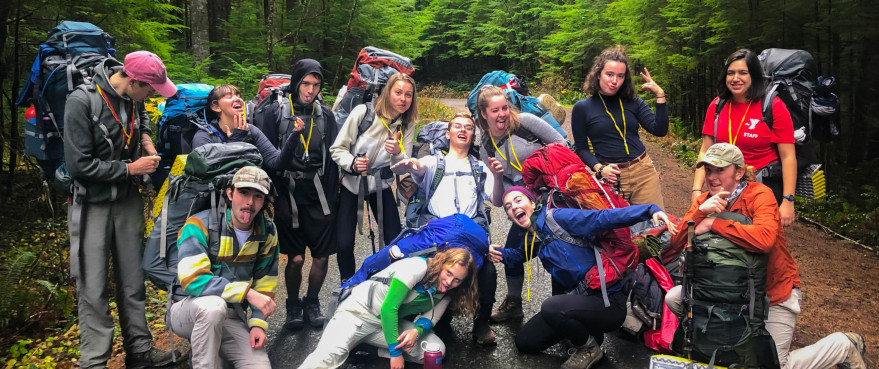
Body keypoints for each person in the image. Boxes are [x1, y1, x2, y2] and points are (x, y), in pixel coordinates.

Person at [666, 143, 866, 369]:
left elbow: (764, 240)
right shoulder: (706, 201)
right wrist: (700, 211)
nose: (712, 177)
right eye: (708, 170)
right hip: (725, 295)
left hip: (773, 296)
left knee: (775, 366)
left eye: (720, 170)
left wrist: (714, 222)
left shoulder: (760, 195)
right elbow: (675, 243)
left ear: (739, 172)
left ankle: (842, 346)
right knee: (674, 297)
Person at [64, 50, 177, 368]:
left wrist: (146, 141)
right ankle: (95, 361)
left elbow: (140, 123)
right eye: (150, 89)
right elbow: (78, 164)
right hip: (93, 205)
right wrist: (130, 169)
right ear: (135, 80)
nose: (152, 94)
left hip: (127, 200)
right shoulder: (81, 101)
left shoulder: (134, 97)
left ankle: (139, 351)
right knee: (94, 286)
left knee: (132, 279)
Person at [488, 186, 674, 369]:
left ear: (532, 202)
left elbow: (602, 218)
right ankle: (585, 332)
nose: (513, 206)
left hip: (608, 302)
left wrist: (648, 210)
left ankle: (590, 349)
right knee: (525, 342)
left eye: (518, 200)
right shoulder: (533, 238)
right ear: (509, 217)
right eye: (508, 206)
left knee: (551, 306)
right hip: (579, 301)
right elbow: (517, 256)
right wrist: (491, 252)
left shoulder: (558, 218)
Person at [391, 112, 505, 345]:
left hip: (469, 236)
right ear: (448, 133)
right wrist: (412, 163)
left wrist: (498, 176)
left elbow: (497, 200)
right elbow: (420, 168)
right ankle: (439, 320)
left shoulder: (480, 167)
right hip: (438, 235)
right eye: (457, 127)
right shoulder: (434, 162)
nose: (463, 130)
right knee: (431, 272)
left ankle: (481, 323)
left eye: (469, 128)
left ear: (473, 135)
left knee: (487, 273)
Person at [253, 59, 340, 331]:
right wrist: (270, 197)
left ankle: (312, 301)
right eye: (306, 83)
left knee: (323, 256)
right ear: (296, 83)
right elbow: (265, 157)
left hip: (318, 193)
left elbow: (334, 159)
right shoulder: (277, 113)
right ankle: (293, 305)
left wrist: (332, 198)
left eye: (316, 85)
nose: (310, 90)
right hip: (287, 194)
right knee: (296, 258)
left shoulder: (325, 116)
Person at [473, 85, 567, 323]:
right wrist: (496, 177)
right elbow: (497, 199)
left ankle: (562, 310)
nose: (502, 114)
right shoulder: (486, 147)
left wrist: (542, 166)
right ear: (484, 114)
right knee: (512, 253)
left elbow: (563, 146)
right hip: (525, 208)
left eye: (504, 107)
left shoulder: (526, 122)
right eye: (495, 110)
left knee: (559, 252)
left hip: (555, 200)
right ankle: (514, 304)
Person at [168, 166, 278, 368]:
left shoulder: (267, 231)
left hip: (231, 315)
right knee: (213, 308)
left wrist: (257, 324)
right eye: (244, 192)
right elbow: (192, 280)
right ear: (230, 192)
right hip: (189, 309)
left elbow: (266, 283)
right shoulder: (198, 224)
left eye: (258, 196)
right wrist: (247, 293)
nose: (250, 203)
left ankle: (213, 350)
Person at [298, 248, 479, 369]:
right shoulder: (417, 267)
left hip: (386, 326)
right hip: (357, 313)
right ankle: (357, 344)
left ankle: (367, 347)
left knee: (434, 350)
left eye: (457, 279)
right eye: (449, 273)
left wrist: (416, 331)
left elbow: (431, 317)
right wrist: (395, 352)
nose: (449, 282)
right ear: (442, 264)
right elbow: (388, 309)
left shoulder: (447, 291)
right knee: (327, 358)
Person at [691, 49, 797, 226]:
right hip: (724, 184)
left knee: (759, 241)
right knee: (721, 234)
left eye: (742, 73)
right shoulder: (717, 106)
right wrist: (696, 189)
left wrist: (788, 201)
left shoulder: (773, 106)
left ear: (754, 76)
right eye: (730, 73)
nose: (735, 78)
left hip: (762, 186)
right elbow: (705, 151)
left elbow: (788, 156)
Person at [330, 73, 417, 282]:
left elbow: (402, 167)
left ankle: (388, 282)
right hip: (352, 184)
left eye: (408, 95)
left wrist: (397, 152)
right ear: (388, 92)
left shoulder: (407, 123)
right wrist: (352, 163)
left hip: (381, 185)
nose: (403, 99)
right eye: (398, 93)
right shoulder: (364, 113)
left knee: (395, 239)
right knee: (343, 243)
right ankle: (347, 284)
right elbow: (337, 148)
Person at [571, 45, 668, 209]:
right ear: (598, 74)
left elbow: (659, 130)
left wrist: (660, 96)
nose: (614, 81)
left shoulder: (634, 103)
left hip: (643, 172)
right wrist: (600, 169)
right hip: (611, 177)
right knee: (619, 232)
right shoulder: (582, 108)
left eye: (620, 76)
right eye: (609, 74)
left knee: (655, 227)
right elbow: (581, 148)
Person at [191, 84, 301, 172]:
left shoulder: (251, 130)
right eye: (229, 96)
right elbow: (209, 172)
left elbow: (276, 163)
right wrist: (237, 142)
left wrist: (294, 136)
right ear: (216, 107)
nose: (238, 99)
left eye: (238, 96)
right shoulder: (204, 136)